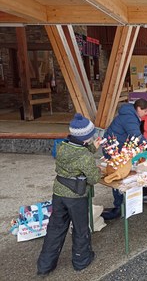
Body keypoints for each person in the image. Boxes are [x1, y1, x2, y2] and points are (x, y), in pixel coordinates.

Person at [37, 113, 102, 276]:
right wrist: (98, 170)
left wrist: (93, 146)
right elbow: (93, 178)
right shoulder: (84, 156)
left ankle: (44, 266)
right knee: (80, 229)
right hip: (76, 196)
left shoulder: (63, 146)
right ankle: (81, 261)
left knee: (55, 228)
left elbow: (78, 151)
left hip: (59, 192)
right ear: (86, 137)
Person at [101, 100, 147, 219]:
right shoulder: (130, 117)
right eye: (145, 111)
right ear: (139, 108)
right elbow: (138, 137)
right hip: (114, 149)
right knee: (117, 175)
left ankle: (124, 203)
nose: (145, 114)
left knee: (122, 174)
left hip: (118, 148)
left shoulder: (130, 114)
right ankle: (119, 207)